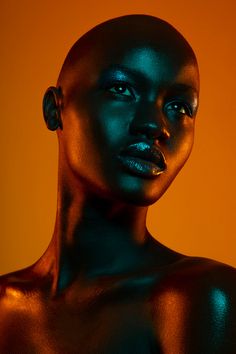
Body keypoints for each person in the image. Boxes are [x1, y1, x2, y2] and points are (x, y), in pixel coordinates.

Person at [0, 14, 235, 354]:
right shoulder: (6, 308)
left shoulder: (200, 300)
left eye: (179, 107)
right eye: (122, 89)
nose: (155, 125)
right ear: (55, 109)